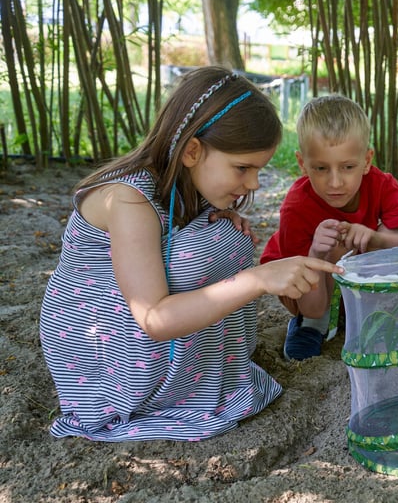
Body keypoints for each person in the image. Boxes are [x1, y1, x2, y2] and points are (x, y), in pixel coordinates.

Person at [39, 66, 342, 442]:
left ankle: (205, 376)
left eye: (257, 169)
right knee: (209, 248)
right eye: (242, 168)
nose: (253, 183)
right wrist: (256, 280)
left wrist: (214, 223)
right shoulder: (128, 199)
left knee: (222, 236)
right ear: (193, 150)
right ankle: (166, 394)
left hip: (136, 330)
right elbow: (153, 317)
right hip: (102, 350)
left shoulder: (184, 183)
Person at [260, 95, 398, 360]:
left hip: (356, 277)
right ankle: (312, 328)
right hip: (306, 293)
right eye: (321, 168)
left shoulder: (380, 185)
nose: (335, 182)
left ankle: (367, 312)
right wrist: (316, 254)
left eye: (347, 167)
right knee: (334, 241)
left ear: (367, 160)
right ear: (302, 164)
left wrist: (375, 238)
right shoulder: (296, 207)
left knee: (391, 236)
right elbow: (309, 302)